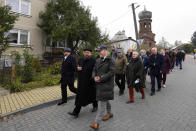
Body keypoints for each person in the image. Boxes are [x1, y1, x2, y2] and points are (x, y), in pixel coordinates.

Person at [90, 45, 115, 130]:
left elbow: (111, 72)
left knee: (101, 105)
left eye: (100, 51)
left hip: (107, 84)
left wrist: (101, 78)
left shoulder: (111, 60)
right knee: (105, 100)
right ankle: (110, 113)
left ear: (105, 51)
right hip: (99, 84)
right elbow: (94, 70)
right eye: (98, 51)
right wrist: (94, 77)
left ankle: (96, 123)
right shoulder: (98, 60)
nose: (99, 52)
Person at [68, 48, 98, 118]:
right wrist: (77, 68)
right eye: (85, 52)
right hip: (81, 82)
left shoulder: (94, 61)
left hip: (90, 82)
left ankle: (95, 106)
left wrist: (95, 78)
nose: (86, 53)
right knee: (80, 96)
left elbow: (96, 71)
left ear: (91, 53)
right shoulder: (81, 59)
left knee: (92, 95)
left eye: (88, 52)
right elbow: (77, 67)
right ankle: (76, 112)